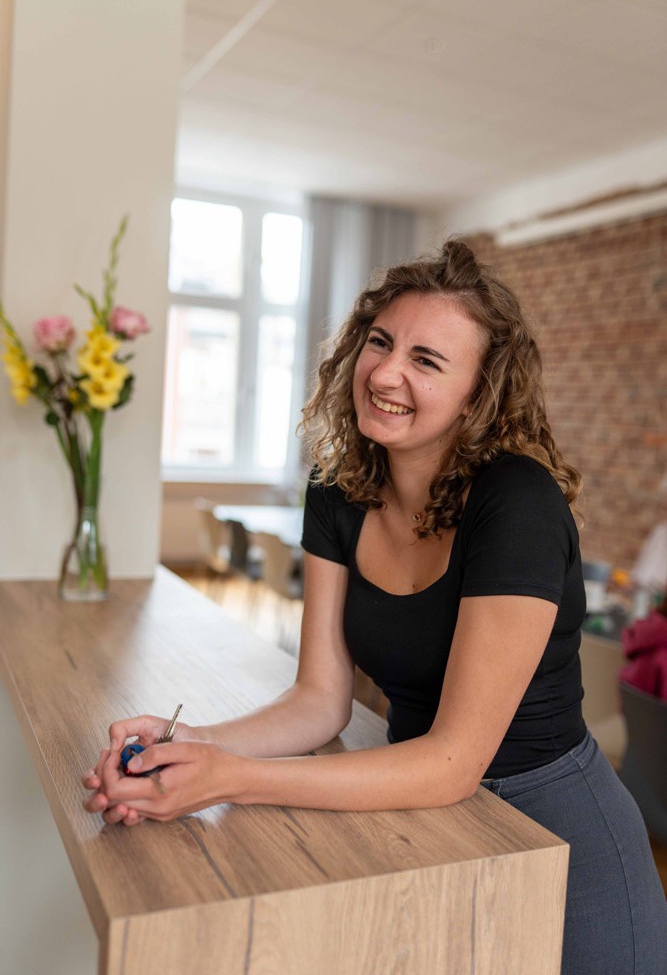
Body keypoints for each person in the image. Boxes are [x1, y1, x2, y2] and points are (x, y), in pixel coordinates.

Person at [83, 240, 667, 974]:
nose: (385, 372)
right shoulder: (337, 491)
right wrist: (193, 748)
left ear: (478, 391)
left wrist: (230, 779)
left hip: (558, 830)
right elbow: (319, 700)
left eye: (426, 360)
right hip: (418, 806)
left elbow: (455, 760)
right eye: (380, 342)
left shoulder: (516, 500)